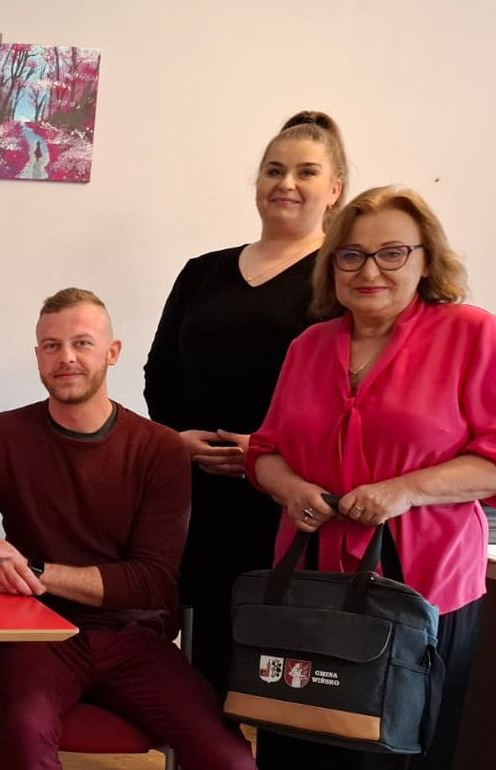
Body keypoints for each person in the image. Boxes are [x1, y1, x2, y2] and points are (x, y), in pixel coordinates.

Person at [248, 186, 496, 770]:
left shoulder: (470, 333)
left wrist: (403, 491)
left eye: (392, 253)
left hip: (421, 590)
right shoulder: (309, 346)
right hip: (311, 587)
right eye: (351, 255)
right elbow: (265, 451)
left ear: (426, 260)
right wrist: (291, 488)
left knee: (398, 751)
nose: (369, 271)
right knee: (298, 743)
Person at [0, 288, 256, 770]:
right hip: (39, 631)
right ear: (37, 356)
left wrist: (31, 568)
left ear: (112, 352)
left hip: (135, 637)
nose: (66, 358)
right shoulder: (3, 435)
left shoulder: (160, 449)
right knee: (27, 737)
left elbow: (150, 580)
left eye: (82, 343)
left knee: (231, 759)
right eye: (51, 346)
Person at [143, 111, 348, 694]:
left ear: (335, 189)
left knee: (276, 667)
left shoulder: (341, 281)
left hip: (287, 498)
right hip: (195, 490)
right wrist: (176, 440)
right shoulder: (202, 272)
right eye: (274, 170)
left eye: (306, 172)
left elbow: (345, 393)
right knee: (203, 657)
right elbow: (160, 372)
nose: (286, 184)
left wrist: (267, 453)